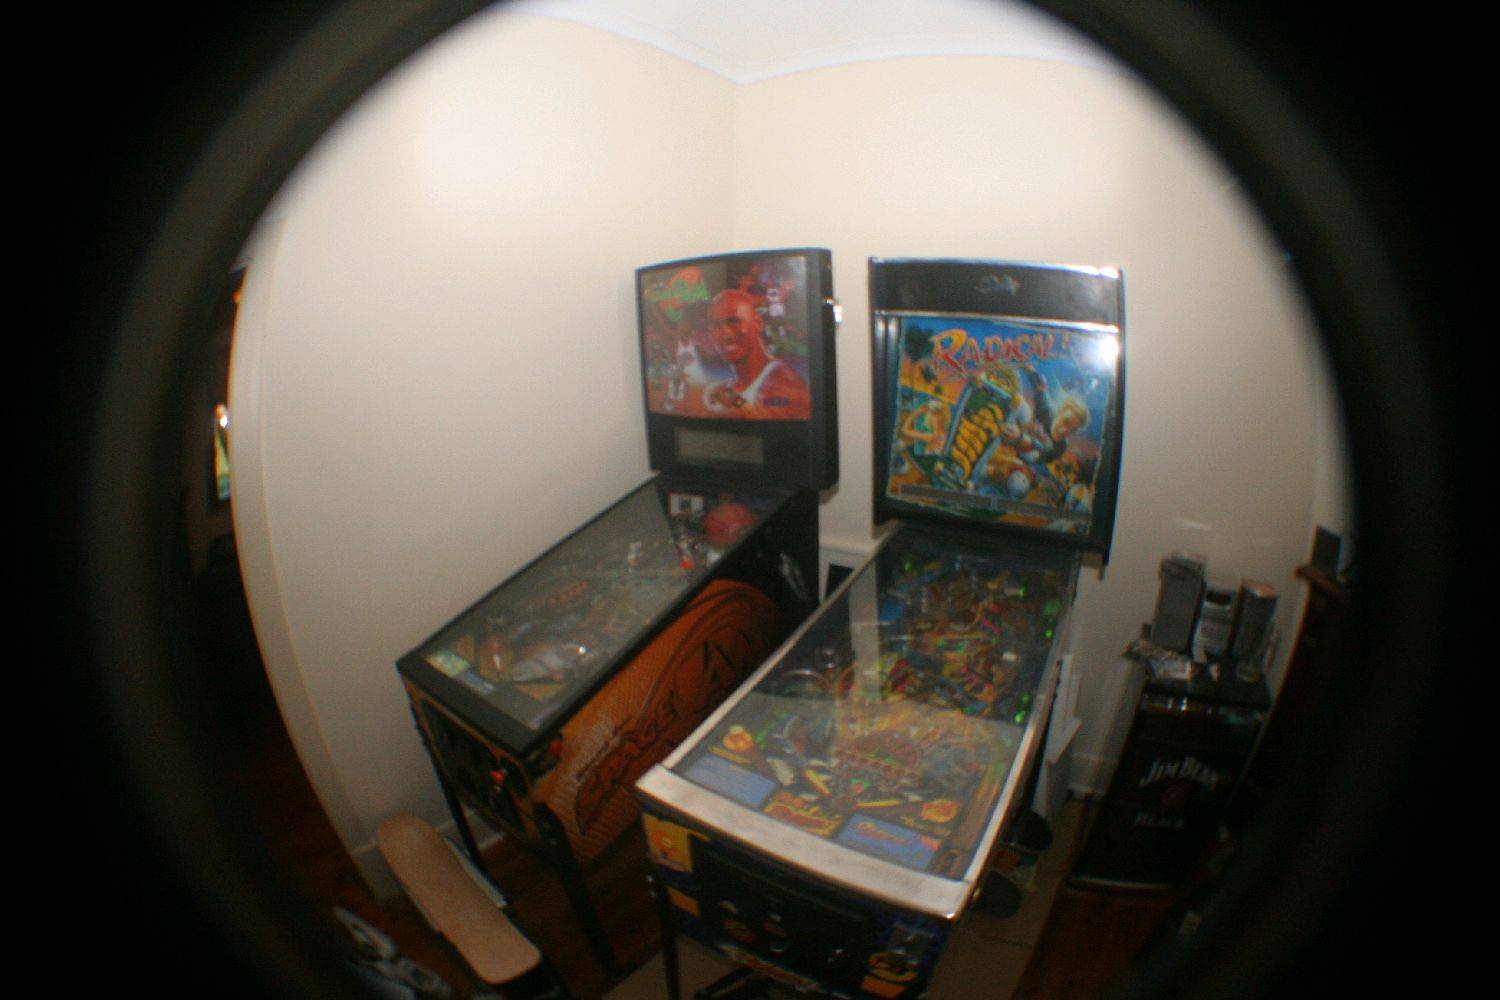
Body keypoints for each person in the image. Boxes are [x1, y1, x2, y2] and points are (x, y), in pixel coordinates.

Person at [703, 288, 811, 419]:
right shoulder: (728, 387)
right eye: (715, 326)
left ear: (758, 323)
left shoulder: (784, 381)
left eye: (734, 322)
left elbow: (764, 421)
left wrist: (733, 401)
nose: (725, 334)